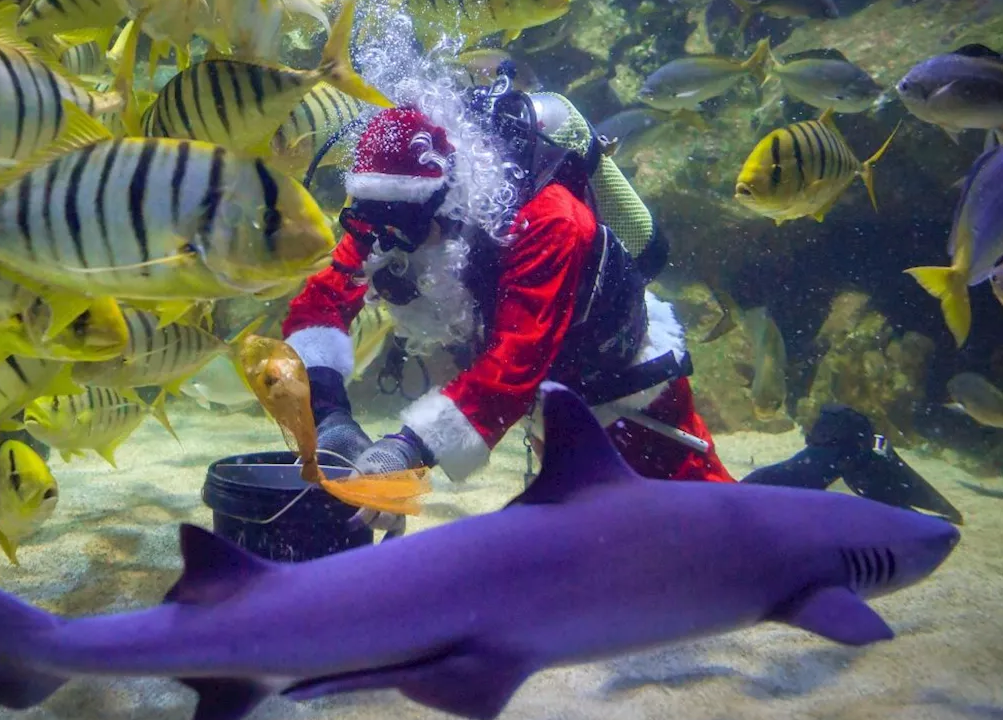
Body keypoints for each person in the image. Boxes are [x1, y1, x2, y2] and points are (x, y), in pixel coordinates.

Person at [282, 69, 960, 528]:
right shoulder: (389, 210)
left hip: (623, 379)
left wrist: (406, 450)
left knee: (715, 526)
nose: (386, 244)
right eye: (372, 226)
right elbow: (320, 301)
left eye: (401, 226)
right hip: (545, 390)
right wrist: (333, 415)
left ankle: (836, 448)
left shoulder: (548, 221)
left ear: (451, 197)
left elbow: (517, 361)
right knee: (597, 530)